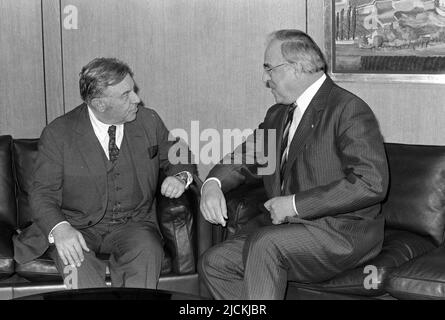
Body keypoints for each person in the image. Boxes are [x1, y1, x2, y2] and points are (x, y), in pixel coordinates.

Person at [199, 29, 389, 300]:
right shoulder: (278, 114)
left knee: (266, 245)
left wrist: (294, 204)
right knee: (214, 262)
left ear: (297, 68)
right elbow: (247, 156)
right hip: (288, 231)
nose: (265, 79)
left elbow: (371, 183)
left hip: (340, 233)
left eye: (269, 68)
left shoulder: (348, 110)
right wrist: (212, 184)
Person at [13, 57, 196, 289]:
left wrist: (180, 177)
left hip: (134, 225)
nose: (136, 99)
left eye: (134, 90)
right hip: (75, 226)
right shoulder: (59, 133)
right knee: (79, 270)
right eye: (125, 94)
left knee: (147, 253)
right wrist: (60, 229)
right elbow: (42, 193)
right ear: (99, 104)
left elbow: (178, 153)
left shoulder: (148, 121)